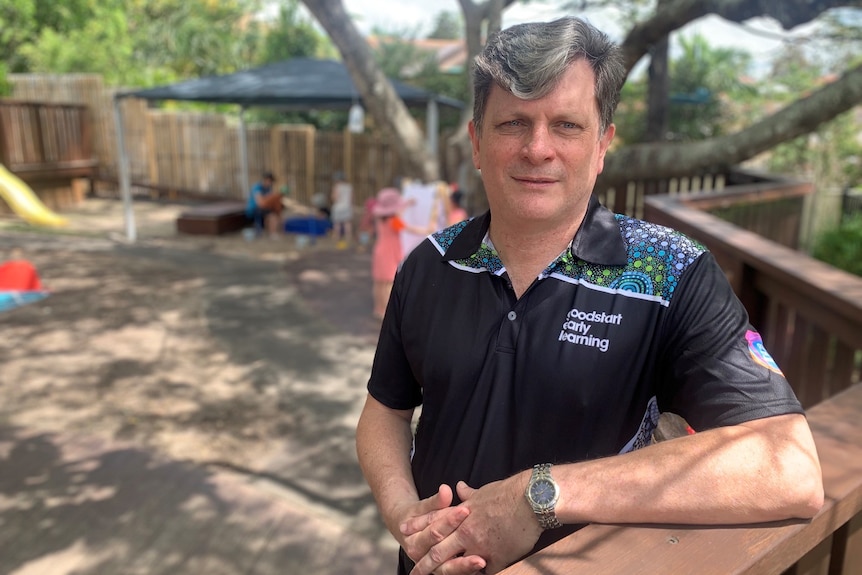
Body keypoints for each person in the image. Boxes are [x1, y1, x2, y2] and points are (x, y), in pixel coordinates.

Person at [355, 16, 824, 575]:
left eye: (567, 125)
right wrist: (405, 515)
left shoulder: (671, 273)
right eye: (513, 123)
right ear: (478, 143)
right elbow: (384, 411)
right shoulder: (431, 263)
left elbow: (787, 467)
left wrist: (538, 497)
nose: (537, 148)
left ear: (603, 144)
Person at [370, 185, 426, 320]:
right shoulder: (394, 221)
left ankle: (378, 309)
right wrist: (428, 229)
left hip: (379, 251)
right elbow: (411, 229)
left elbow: (398, 211)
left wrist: (407, 204)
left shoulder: (380, 219)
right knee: (389, 283)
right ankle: (385, 312)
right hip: (390, 253)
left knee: (378, 282)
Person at [245, 171, 283, 238]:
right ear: (265, 180)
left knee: (277, 213)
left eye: (271, 181)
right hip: (254, 208)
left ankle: (272, 230)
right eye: (270, 181)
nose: (270, 183)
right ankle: (272, 234)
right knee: (272, 215)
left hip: (263, 207)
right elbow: (260, 202)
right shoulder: (257, 187)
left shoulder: (268, 188)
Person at [331, 171, 354, 249]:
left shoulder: (337, 187)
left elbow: (335, 197)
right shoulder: (349, 187)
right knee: (347, 223)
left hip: (338, 207)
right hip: (347, 207)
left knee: (337, 223)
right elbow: (351, 199)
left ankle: (337, 238)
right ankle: (348, 238)